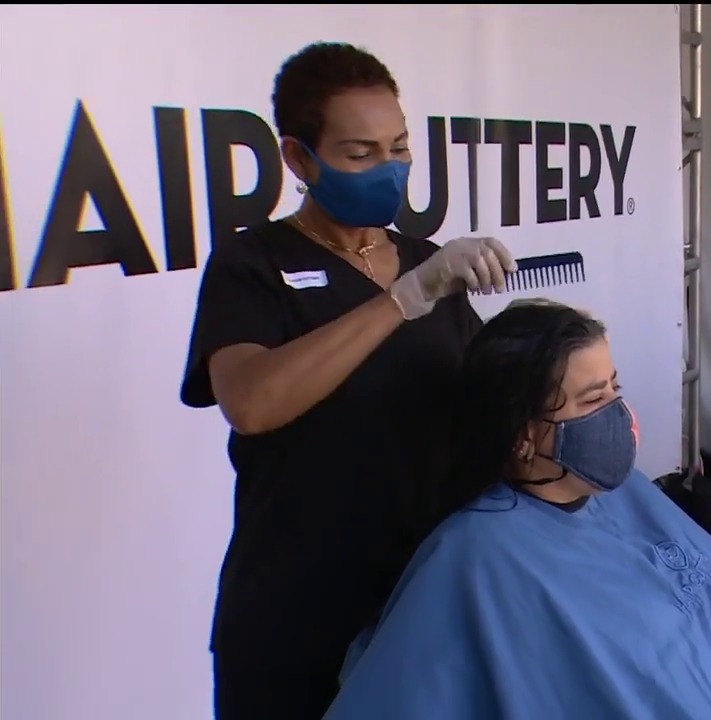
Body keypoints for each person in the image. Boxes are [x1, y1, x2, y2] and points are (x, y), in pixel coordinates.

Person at [322, 300, 711, 720]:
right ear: (519, 434)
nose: (618, 415)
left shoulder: (622, 496)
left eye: (615, 388)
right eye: (594, 399)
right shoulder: (476, 557)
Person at [179, 42, 517, 719]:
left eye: (398, 148)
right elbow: (251, 401)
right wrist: (399, 301)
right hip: (293, 621)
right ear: (299, 159)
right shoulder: (254, 264)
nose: (388, 170)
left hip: (419, 605)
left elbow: (490, 403)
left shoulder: (429, 264)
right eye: (360, 155)